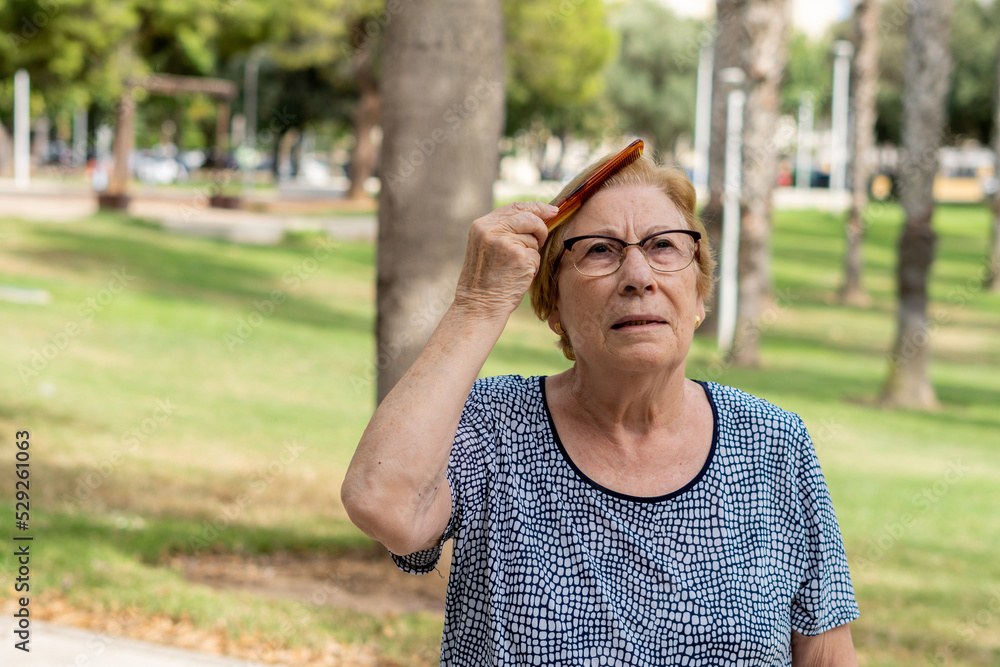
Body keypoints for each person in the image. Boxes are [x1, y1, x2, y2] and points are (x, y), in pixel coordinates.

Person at [341, 150, 860, 665]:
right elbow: (381, 502)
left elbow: (827, 659)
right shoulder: (493, 425)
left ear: (699, 297)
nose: (638, 275)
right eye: (599, 251)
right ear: (554, 307)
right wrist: (479, 304)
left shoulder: (774, 444)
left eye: (663, 246)